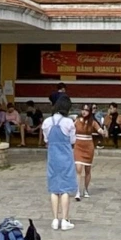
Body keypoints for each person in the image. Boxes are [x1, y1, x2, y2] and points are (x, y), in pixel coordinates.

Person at [43, 95, 77, 231]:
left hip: (52, 157)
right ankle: (65, 219)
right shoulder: (68, 122)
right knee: (64, 189)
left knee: (54, 188)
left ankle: (55, 219)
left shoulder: (47, 122)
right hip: (66, 157)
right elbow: (73, 140)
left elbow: (46, 139)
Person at [73, 103, 104, 200]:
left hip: (88, 146)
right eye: (83, 109)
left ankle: (86, 189)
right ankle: (77, 191)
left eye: (86, 110)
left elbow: (100, 130)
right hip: (78, 145)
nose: (84, 112)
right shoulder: (77, 121)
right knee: (78, 168)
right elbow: (69, 129)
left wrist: (104, 131)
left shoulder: (92, 122)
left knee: (87, 170)